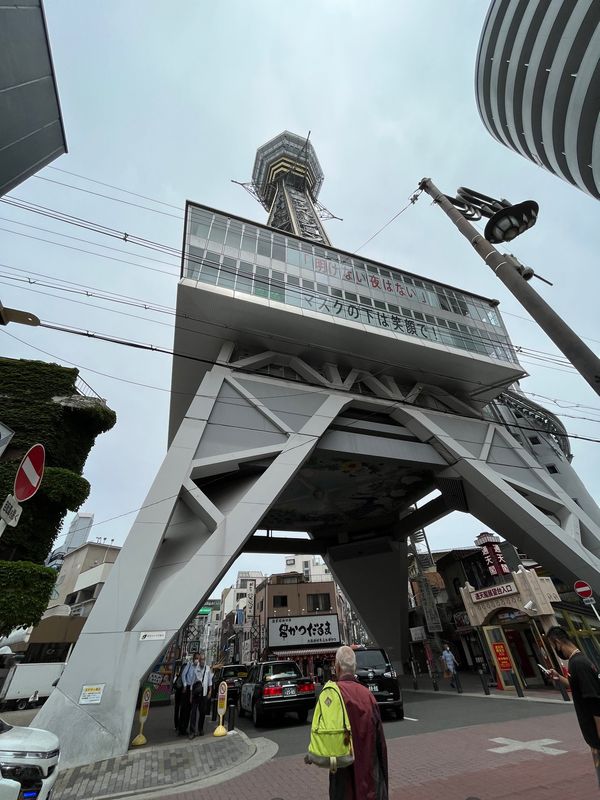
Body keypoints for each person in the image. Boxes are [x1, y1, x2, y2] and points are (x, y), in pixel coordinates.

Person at [329, 645, 388, 800]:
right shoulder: (368, 696)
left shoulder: (331, 695)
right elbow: (380, 744)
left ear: (337, 667)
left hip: (342, 781)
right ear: (354, 667)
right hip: (370, 782)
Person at [547, 626, 600, 787]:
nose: (554, 650)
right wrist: (559, 678)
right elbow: (578, 685)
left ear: (557, 642)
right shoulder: (578, 660)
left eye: (552, 645)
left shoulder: (578, 664)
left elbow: (595, 703)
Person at [187, 651, 213, 738]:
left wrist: (210, 691)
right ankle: (192, 731)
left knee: (202, 713)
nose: (202, 661)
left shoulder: (208, 669)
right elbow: (192, 683)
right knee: (193, 713)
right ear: (199, 660)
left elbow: (210, 681)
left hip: (204, 694)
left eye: (203, 660)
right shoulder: (195, 669)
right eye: (201, 659)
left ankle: (200, 729)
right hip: (196, 694)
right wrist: (191, 695)